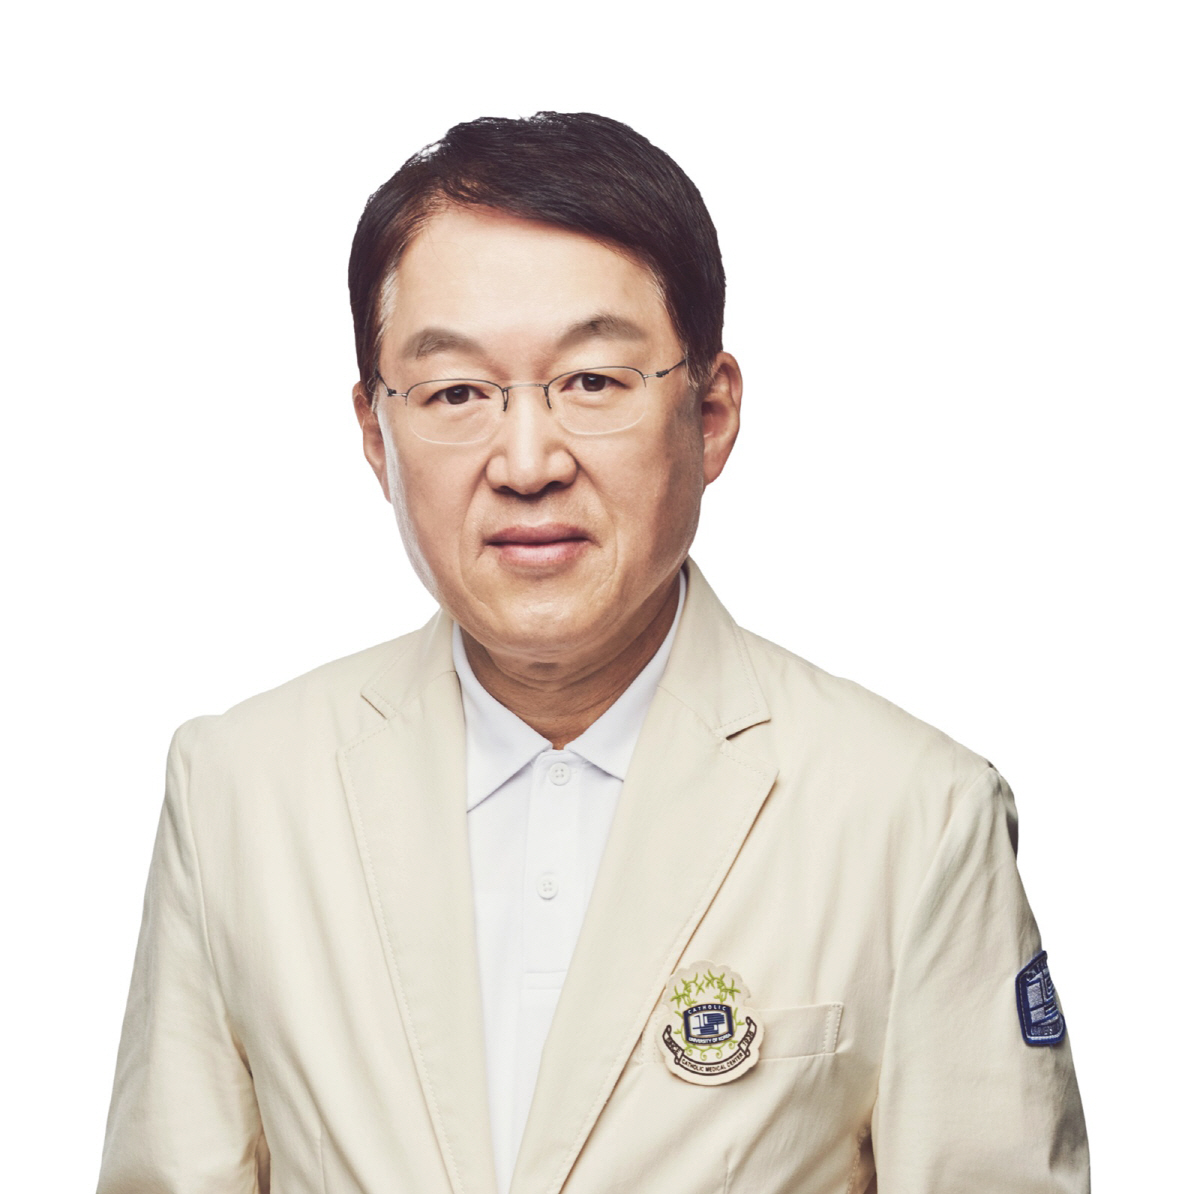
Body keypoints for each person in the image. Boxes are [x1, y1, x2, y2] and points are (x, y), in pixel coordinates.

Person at [98, 111, 1089, 1193]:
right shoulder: (238, 792)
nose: (527, 462)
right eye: (456, 393)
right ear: (377, 435)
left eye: (594, 382)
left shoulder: (913, 814)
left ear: (711, 413)